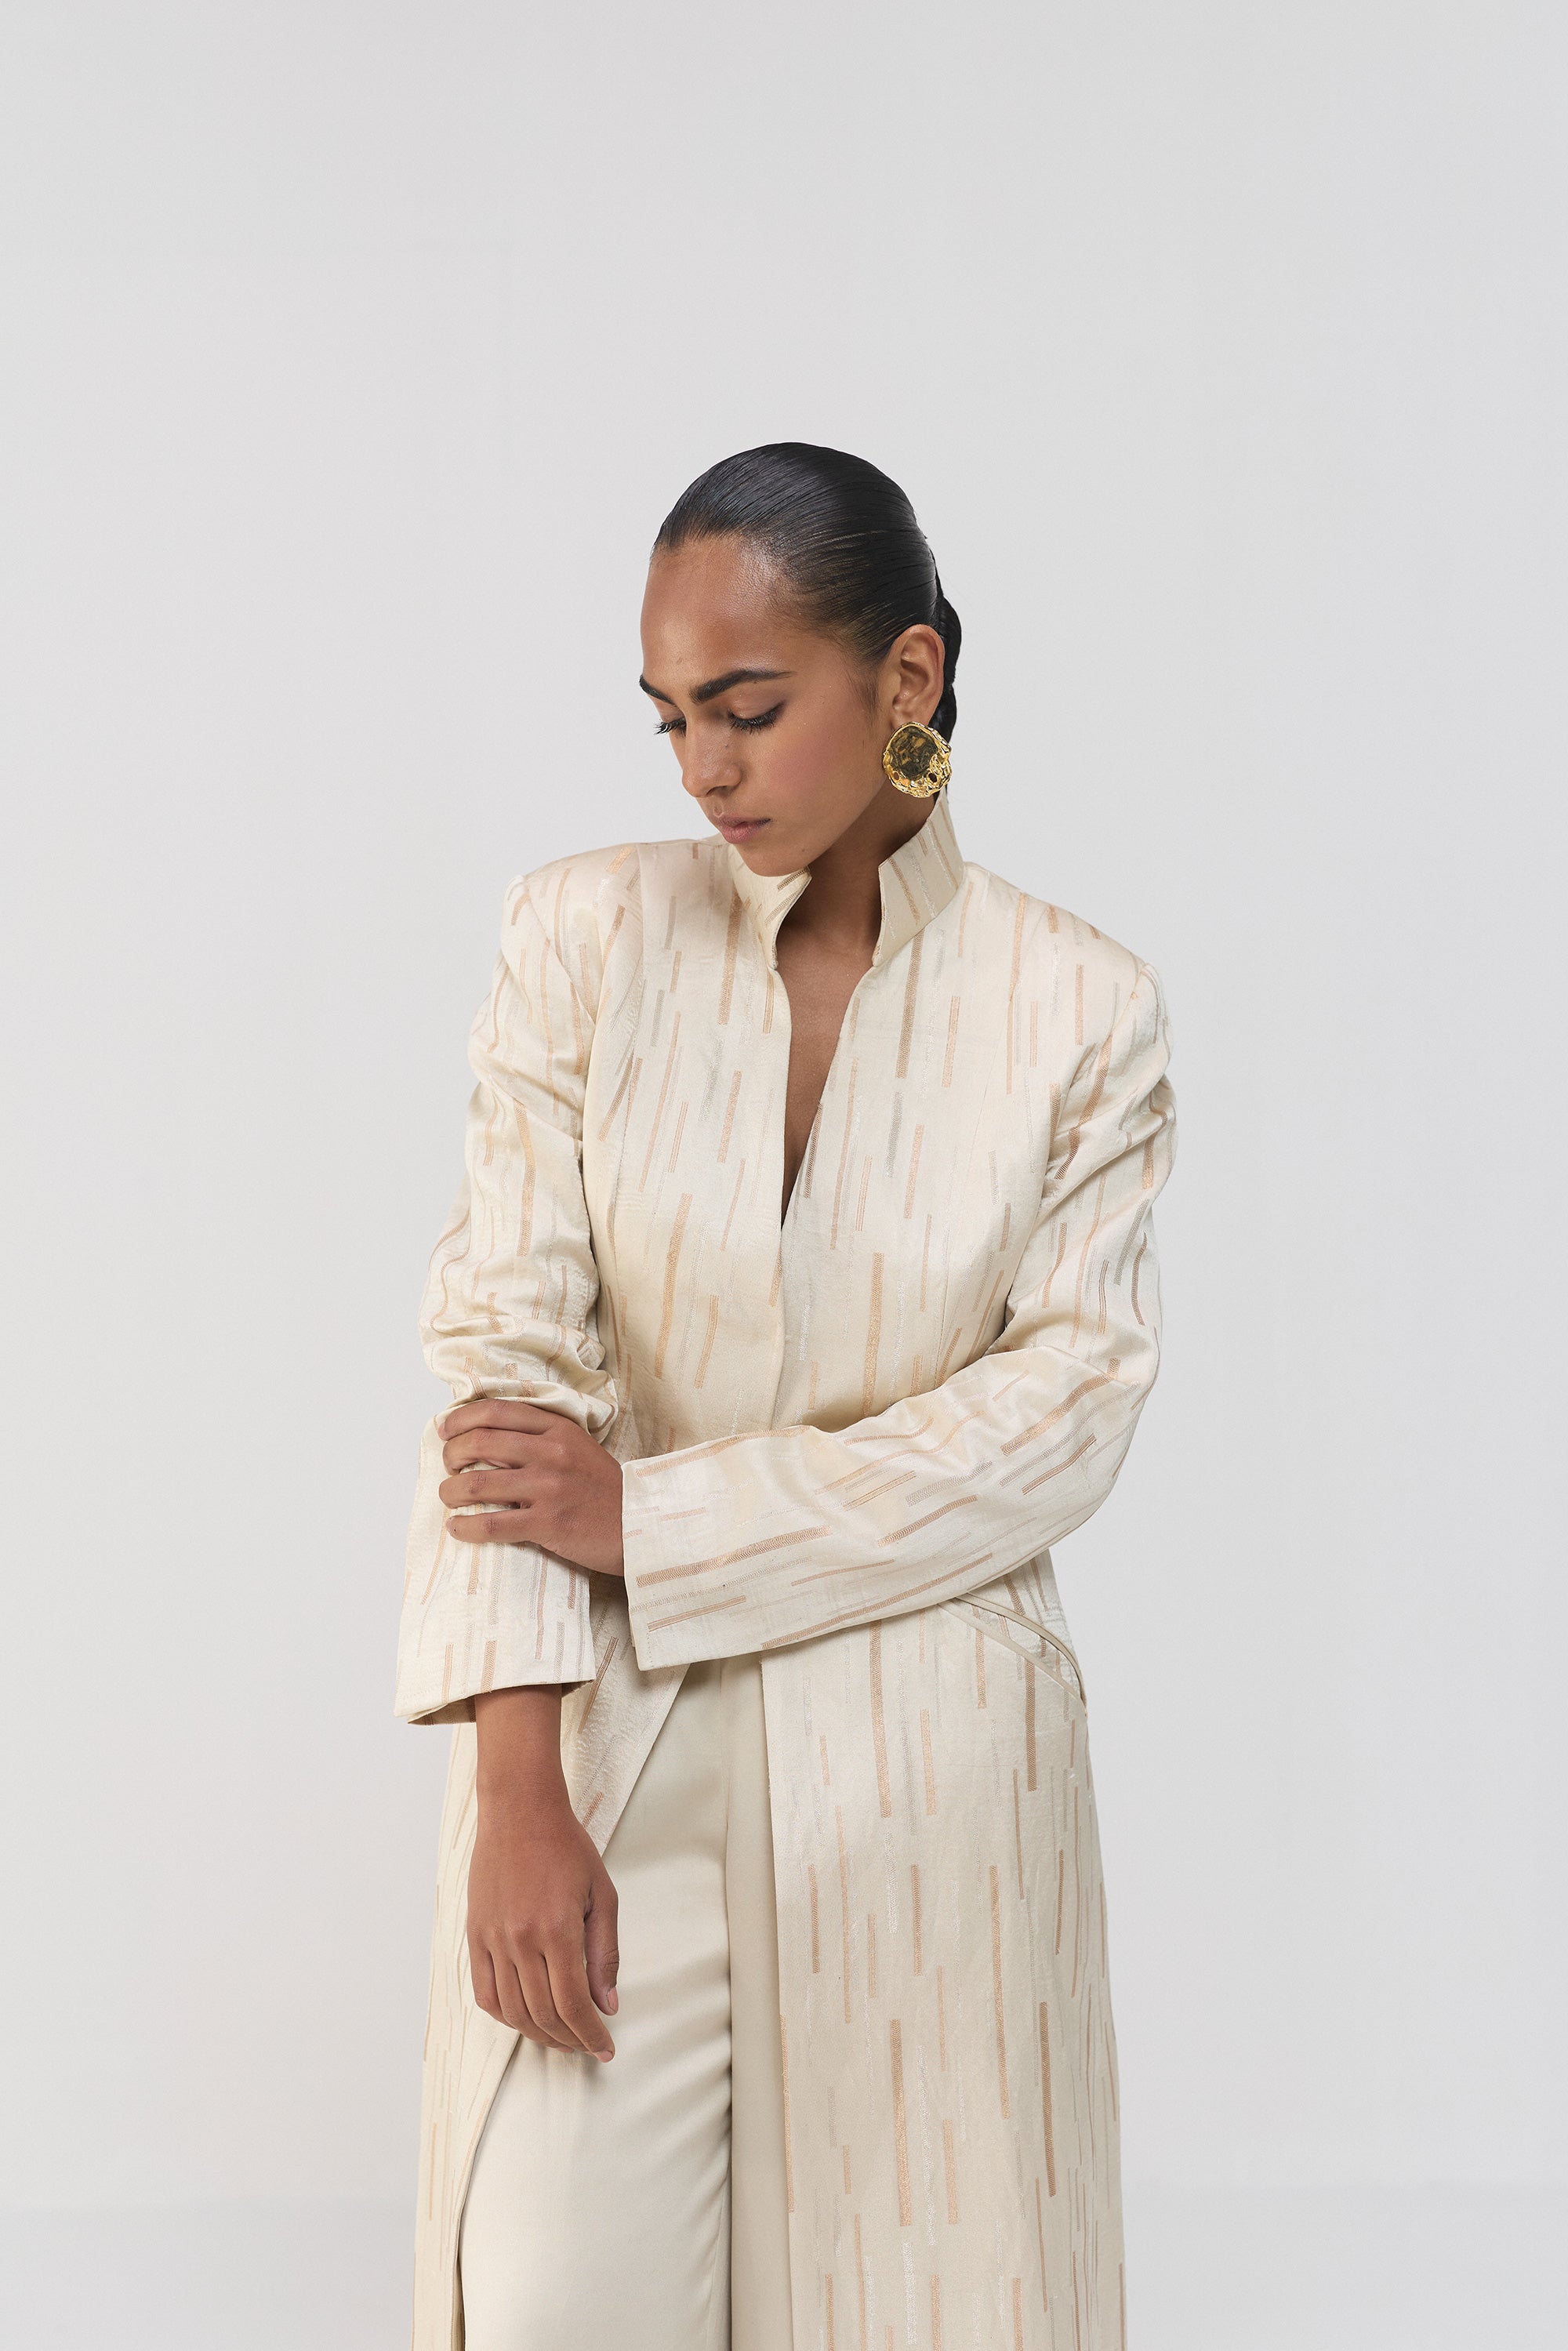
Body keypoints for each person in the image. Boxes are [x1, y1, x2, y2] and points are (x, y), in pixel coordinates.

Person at [394, 442, 1177, 2351]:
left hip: (930, 1766)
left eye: (745, 708)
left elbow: (1056, 1420)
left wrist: (651, 1515)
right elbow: (505, 1366)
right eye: (669, 717)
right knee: (553, 2300)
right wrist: (513, 1787)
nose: (700, 768)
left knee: (926, 2301)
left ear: (907, 678)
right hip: (608, 1741)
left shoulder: (1077, 1008)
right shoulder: (581, 938)